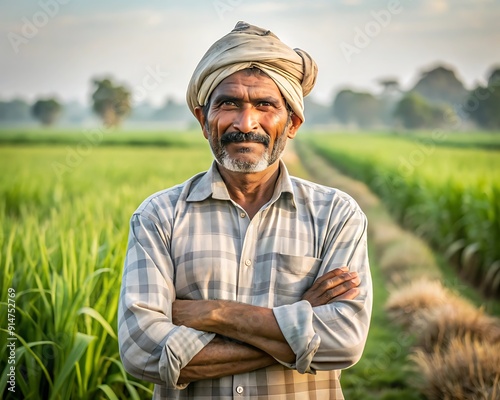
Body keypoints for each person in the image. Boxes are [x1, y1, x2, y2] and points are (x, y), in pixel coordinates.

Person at [118, 21, 372, 400]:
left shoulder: (336, 215)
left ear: (292, 123)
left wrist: (212, 314)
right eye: (228, 104)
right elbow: (142, 352)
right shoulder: (158, 216)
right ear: (204, 120)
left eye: (265, 105)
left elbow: (345, 341)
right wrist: (301, 321)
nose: (245, 123)